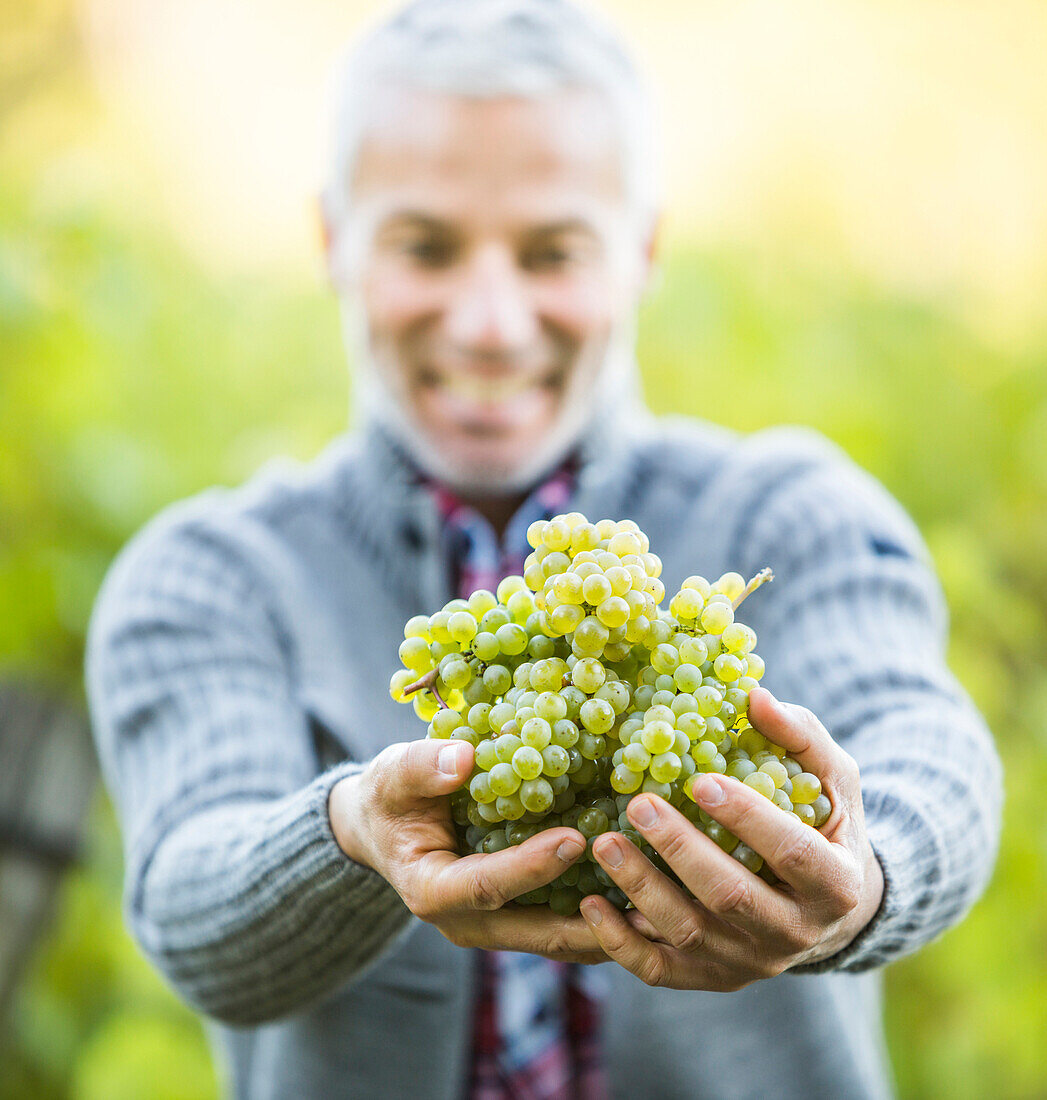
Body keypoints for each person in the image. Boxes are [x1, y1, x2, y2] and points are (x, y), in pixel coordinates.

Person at [85, 1, 1002, 1097]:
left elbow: (929, 749)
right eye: (424, 245)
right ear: (334, 241)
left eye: (551, 251)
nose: (489, 319)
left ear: (643, 249)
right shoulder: (211, 572)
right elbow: (193, 907)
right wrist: (346, 832)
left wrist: (866, 872)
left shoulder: (789, 514)